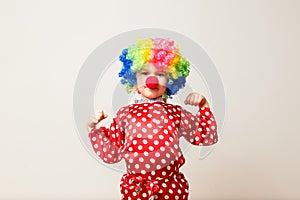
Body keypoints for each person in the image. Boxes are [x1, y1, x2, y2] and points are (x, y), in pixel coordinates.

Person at [87, 38, 218, 200]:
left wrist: (203, 105)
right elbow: (112, 152)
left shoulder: (176, 113)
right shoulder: (125, 114)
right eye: (145, 73)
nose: (152, 80)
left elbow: (204, 136)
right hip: (136, 188)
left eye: (160, 74)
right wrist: (93, 128)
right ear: (134, 79)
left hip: (170, 187)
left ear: (170, 79)